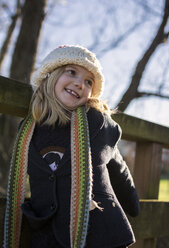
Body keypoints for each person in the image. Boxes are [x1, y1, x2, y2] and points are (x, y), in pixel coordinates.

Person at [3, 45, 140, 248]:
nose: (79, 84)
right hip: (46, 234)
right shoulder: (29, 129)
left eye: (88, 82)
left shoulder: (96, 122)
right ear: (50, 75)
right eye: (72, 72)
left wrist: (132, 202)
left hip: (99, 234)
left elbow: (117, 167)